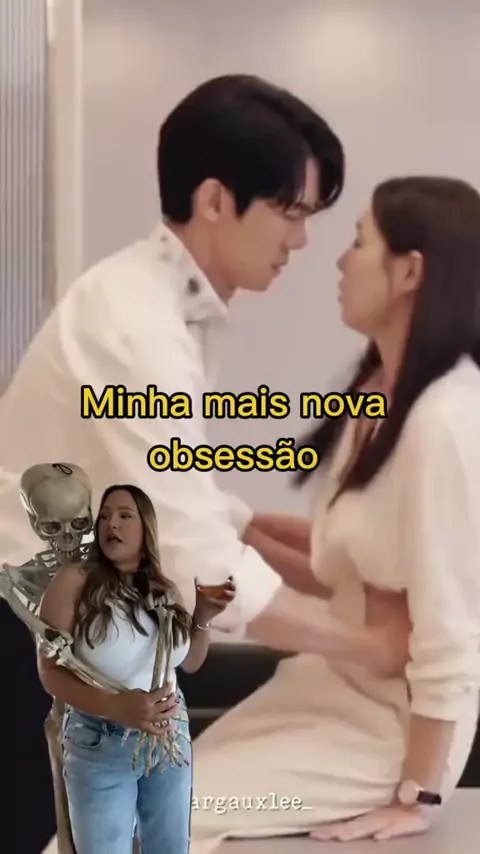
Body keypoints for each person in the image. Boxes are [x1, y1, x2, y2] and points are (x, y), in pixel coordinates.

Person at [0, 74, 406, 672]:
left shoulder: (162, 305)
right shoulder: (137, 327)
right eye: (290, 212)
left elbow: (186, 499)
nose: (302, 240)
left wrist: (323, 569)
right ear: (215, 202)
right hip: (39, 635)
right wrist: (375, 647)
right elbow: (193, 555)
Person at [189, 176, 480, 850]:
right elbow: (340, 568)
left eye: (359, 242)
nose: (340, 261)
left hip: (384, 735)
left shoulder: (446, 419)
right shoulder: (376, 398)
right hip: (321, 690)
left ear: (410, 272)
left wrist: (420, 793)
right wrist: (225, 520)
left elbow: (452, 628)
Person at [37, 482, 236, 854]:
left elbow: (190, 663)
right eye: (104, 516)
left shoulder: (163, 589)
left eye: (125, 515)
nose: (111, 523)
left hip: (170, 739)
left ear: (146, 528)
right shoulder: (73, 581)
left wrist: (204, 616)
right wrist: (116, 707)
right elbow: (49, 672)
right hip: (101, 739)